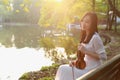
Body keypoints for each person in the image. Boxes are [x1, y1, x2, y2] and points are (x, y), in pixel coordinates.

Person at [55, 12, 107, 80]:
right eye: (83, 21)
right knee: (62, 68)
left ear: (93, 24)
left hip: (92, 70)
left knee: (63, 69)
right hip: (85, 67)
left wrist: (86, 51)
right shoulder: (85, 36)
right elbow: (85, 58)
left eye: (87, 22)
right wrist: (75, 62)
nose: (83, 23)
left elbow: (104, 57)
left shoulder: (95, 37)